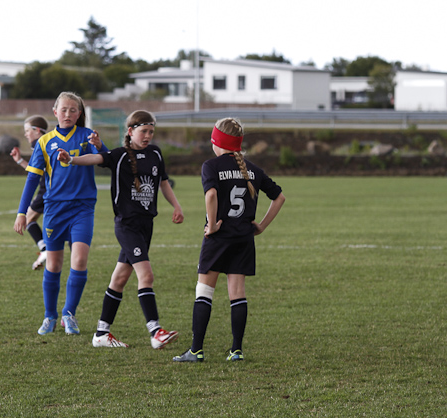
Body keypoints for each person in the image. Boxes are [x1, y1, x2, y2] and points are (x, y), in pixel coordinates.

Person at [58, 110, 183, 349]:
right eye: (143, 131)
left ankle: (101, 333)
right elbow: (95, 158)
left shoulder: (155, 153)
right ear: (130, 131)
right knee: (146, 276)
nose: (148, 136)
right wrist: (71, 159)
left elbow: (163, 182)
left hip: (146, 225)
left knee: (120, 278)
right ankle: (155, 331)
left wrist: (176, 206)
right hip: (127, 226)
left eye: (151, 132)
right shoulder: (119, 155)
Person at [173, 117, 285, 363]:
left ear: (218, 141)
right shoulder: (252, 169)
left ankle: (196, 350)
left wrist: (212, 225)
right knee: (237, 294)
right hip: (243, 238)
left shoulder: (211, 166)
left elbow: (211, 195)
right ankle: (236, 350)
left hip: (218, 238)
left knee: (204, 292)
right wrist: (261, 226)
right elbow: (279, 197)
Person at [13, 92, 108, 336]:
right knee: (53, 264)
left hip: (82, 208)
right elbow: (32, 179)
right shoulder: (45, 142)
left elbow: (105, 159)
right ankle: (50, 316)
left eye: (73, 110)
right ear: (55, 112)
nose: (68, 114)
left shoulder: (87, 136)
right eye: (63, 110)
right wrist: (22, 212)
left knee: (80, 261)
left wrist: (100, 145)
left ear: (79, 113)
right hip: (55, 209)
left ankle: (69, 313)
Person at [10, 115, 50, 270]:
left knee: (27, 219)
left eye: (27, 130)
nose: (26, 134)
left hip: (46, 190)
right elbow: (36, 169)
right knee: (31, 219)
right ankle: (45, 249)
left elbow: (37, 173)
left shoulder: (38, 143)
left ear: (37, 130)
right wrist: (20, 161)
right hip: (48, 188)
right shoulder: (48, 142)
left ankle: (45, 250)